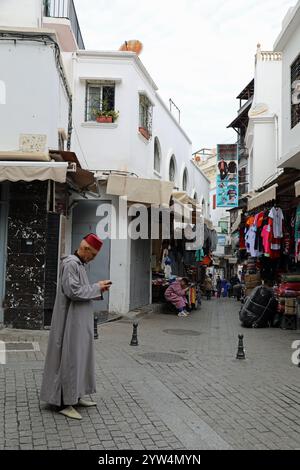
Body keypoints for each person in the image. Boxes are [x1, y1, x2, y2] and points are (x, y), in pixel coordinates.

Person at [40, 233, 112, 420]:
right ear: (86, 249)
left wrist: (98, 288)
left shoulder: (78, 264)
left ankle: (76, 395)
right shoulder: (71, 264)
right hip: (70, 322)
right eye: (93, 255)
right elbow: (73, 291)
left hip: (78, 321)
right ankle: (65, 402)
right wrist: (97, 287)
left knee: (79, 358)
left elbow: (79, 291)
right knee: (71, 359)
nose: (93, 259)